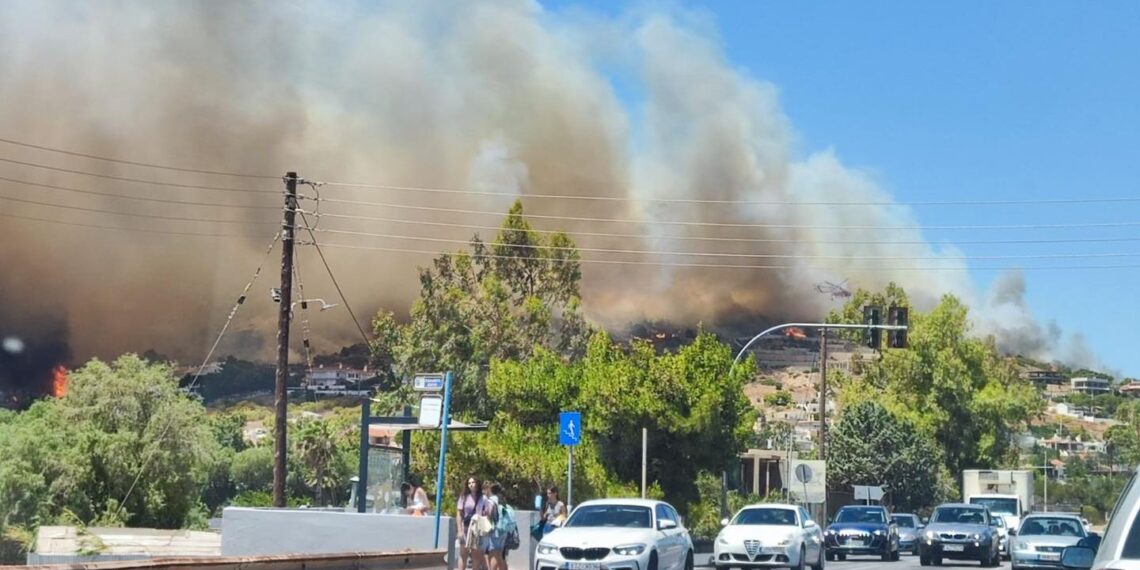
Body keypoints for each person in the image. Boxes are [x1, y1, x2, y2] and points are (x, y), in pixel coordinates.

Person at [456, 477, 486, 570]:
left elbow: (486, 513)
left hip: (476, 529)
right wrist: (459, 530)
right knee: (463, 554)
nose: (471, 484)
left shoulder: (482, 498)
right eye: (469, 483)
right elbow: (459, 514)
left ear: (477, 483)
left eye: (473, 482)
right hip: (465, 527)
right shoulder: (464, 497)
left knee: (475, 555)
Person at [481, 482, 506, 570]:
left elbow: (489, 513)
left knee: (494, 554)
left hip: (495, 531)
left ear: (490, 490)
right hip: (503, 530)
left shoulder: (491, 500)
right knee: (499, 555)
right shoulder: (501, 499)